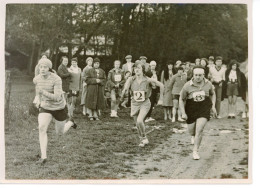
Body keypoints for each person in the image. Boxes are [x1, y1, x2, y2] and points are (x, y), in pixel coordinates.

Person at [33, 58, 77, 164]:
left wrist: (42, 92)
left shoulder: (56, 79)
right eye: (41, 67)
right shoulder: (36, 79)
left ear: (49, 68)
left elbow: (57, 97)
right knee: (42, 128)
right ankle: (43, 157)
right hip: (46, 107)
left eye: (45, 67)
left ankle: (70, 122)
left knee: (60, 132)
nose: (42, 69)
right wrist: (37, 98)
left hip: (59, 107)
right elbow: (38, 90)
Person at [121, 62, 164, 147]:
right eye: (135, 68)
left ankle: (144, 136)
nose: (137, 70)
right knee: (137, 124)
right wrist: (124, 92)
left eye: (139, 68)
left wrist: (161, 99)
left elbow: (161, 85)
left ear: (142, 70)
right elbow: (126, 87)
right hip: (134, 103)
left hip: (145, 103)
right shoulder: (131, 79)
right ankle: (142, 139)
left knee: (140, 120)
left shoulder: (148, 79)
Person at [179, 65, 217, 160]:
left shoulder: (208, 84)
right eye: (196, 75)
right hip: (191, 107)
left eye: (200, 75)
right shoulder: (187, 85)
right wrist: (183, 113)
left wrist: (213, 106)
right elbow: (181, 99)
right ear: (193, 75)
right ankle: (193, 135)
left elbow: (213, 94)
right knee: (191, 130)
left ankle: (195, 151)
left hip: (204, 107)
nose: (198, 77)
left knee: (199, 130)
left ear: (204, 75)